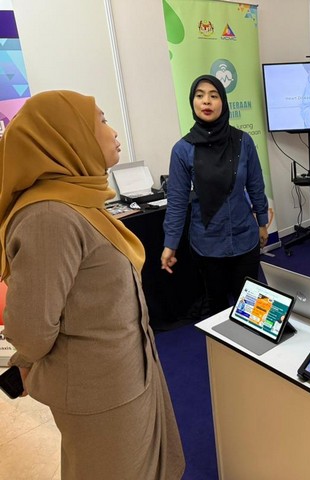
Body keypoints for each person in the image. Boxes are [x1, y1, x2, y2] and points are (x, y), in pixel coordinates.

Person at [0, 91, 185, 479]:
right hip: (100, 392)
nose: (113, 131)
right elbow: (31, 328)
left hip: (126, 374)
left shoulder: (78, 201)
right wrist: (28, 364)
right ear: (67, 135)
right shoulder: (50, 216)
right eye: (101, 120)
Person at [162, 75, 269, 315]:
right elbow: (177, 202)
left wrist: (262, 223)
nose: (206, 101)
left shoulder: (243, 141)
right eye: (199, 96)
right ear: (192, 102)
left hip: (244, 237)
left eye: (213, 95)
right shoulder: (183, 150)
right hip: (207, 243)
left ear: (223, 102)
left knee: (250, 307)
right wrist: (170, 244)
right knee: (217, 309)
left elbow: (255, 185)